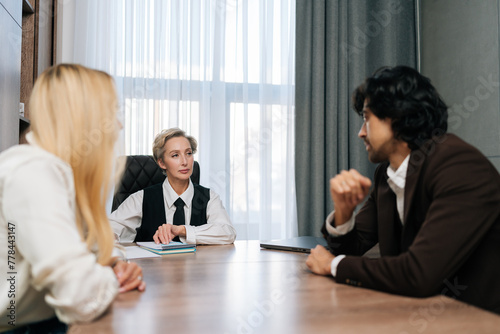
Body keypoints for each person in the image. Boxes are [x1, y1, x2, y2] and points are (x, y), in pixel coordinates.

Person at [305, 66, 500, 314]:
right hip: (417, 313)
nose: (360, 132)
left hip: (478, 320)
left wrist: (334, 266)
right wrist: (344, 212)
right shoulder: (387, 175)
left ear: (397, 116)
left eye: (367, 118)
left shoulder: (459, 165)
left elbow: (419, 273)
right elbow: (352, 249)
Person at [0, 64, 146, 333]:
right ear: (86, 119)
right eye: (111, 113)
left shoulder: (59, 173)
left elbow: (92, 248)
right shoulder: (33, 172)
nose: (119, 124)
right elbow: (79, 294)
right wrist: (113, 277)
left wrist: (116, 264)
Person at [109, 128, 236, 245]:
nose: (185, 162)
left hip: (196, 268)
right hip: (153, 268)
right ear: (162, 162)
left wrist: (182, 230)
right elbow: (109, 228)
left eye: (188, 153)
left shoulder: (209, 197)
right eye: (175, 155)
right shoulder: (141, 198)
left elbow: (227, 232)